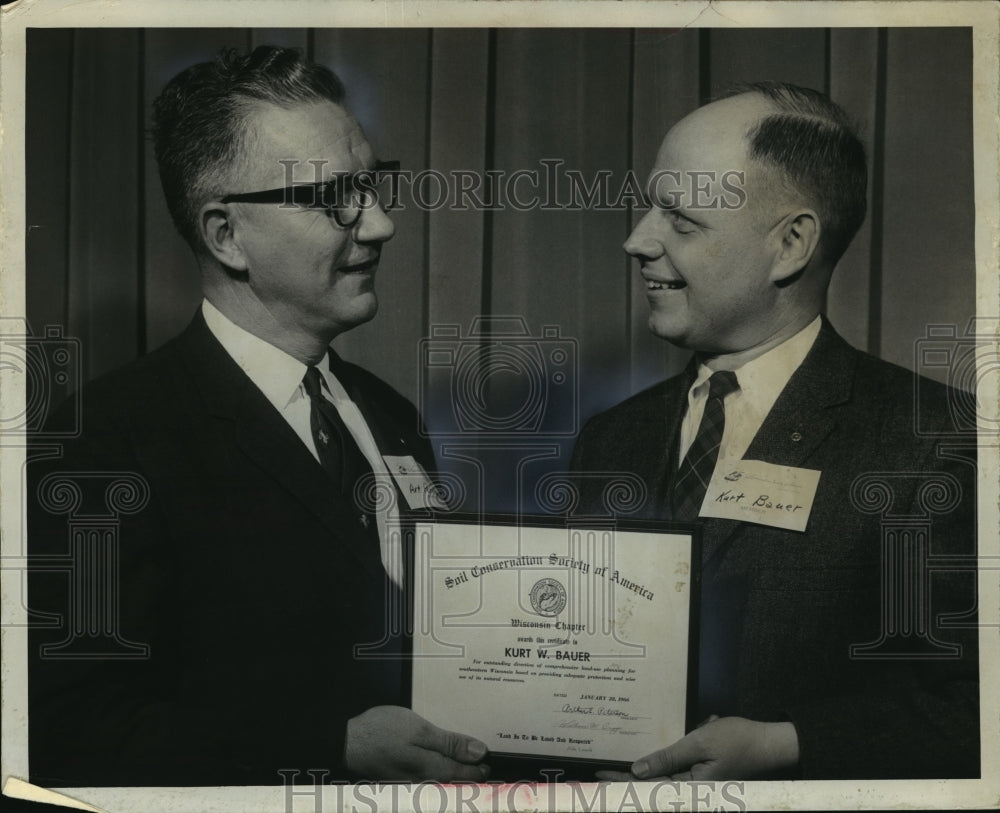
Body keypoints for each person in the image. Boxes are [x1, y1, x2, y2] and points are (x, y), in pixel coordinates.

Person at [28, 46, 488, 786]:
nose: (379, 224)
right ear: (225, 235)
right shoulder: (107, 437)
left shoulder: (388, 413)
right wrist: (323, 741)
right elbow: (66, 725)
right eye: (336, 195)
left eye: (371, 185)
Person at [570, 82, 978, 780]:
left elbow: (974, 711)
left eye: (681, 219)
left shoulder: (935, 441)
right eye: (648, 209)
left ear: (790, 244)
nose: (636, 240)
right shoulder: (609, 438)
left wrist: (789, 742)